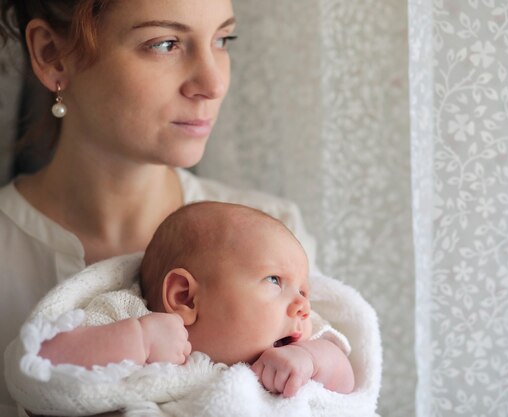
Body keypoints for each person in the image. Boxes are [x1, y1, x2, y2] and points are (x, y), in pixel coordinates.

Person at [0, 0, 322, 414]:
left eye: (223, 39)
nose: (213, 83)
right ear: (52, 55)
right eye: (165, 43)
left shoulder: (277, 238)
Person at [37, 201, 355, 400]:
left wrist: (311, 361)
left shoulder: (305, 344)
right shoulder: (126, 314)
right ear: (185, 297)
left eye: (303, 291)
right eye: (274, 279)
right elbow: (44, 361)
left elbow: (347, 383)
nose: (302, 306)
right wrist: (139, 339)